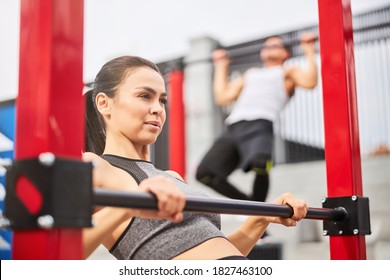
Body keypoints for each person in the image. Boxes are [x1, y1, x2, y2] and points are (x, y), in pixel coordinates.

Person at [83, 55, 308, 260]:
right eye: (144, 96)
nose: (157, 109)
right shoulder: (95, 167)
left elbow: (217, 255)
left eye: (162, 100)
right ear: (104, 103)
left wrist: (262, 218)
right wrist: (131, 205)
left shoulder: (171, 177)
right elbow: (54, 252)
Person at [195, 33, 318, 203]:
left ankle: (258, 213)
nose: (269, 48)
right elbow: (223, 96)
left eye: (275, 46)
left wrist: (309, 50)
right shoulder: (250, 74)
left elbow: (310, 82)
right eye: (266, 46)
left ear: (285, 54)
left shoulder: (288, 72)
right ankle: (251, 207)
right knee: (204, 174)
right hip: (233, 127)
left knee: (260, 164)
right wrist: (221, 65)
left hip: (260, 125)